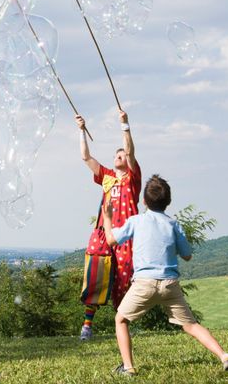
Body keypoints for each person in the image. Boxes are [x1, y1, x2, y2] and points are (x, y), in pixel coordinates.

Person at [102, 174, 228, 376]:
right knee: (191, 325)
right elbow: (188, 255)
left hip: (144, 284)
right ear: (168, 202)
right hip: (170, 284)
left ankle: (128, 368)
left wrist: (108, 218)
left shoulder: (136, 221)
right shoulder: (174, 225)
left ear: (144, 201)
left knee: (121, 319)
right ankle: (225, 357)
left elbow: (111, 240)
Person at [76, 109, 141, 340]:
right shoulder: (107, 177)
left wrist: (125, 126)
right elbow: (86, 158)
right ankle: (87, 326)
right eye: (117, 155)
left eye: (122, 155)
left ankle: (122, 325)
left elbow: (131, 151)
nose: (119, 156)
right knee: (96, 276)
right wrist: (82, 130)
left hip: (125, 238)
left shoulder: (133, 179)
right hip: (104, 234)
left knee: (124, 280)